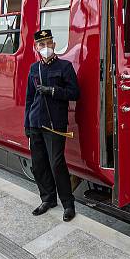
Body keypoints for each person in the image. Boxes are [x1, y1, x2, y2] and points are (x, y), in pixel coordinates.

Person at [24, 29, 80, 222]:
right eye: (42, 45)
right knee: (39, 164)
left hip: (55, 124)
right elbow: (29, 99)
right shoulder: (34, 69)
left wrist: (53, 91)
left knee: (57, 164)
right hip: (35, 123)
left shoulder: (65, 67)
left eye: (48, 43)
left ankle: (68, 203)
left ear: (54, 45)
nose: (45, 48)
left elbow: (75, 93)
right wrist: (26, 125)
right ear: (36, 48)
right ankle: (48, 199)